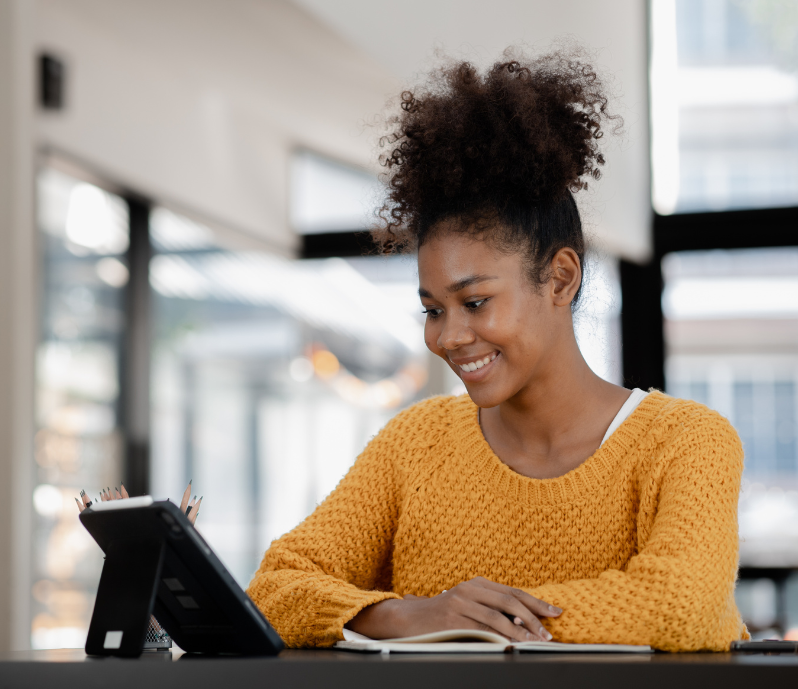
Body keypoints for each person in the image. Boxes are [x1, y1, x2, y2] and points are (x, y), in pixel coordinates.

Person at [246, 49, 748, 652]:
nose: (448, 337)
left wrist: (465, 623)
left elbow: (679, 607)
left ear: (560, 278)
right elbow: (275, 589)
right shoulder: (417, 444)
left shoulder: (686, 442)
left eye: (475, 302)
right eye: (433, 309)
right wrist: (409, 616)